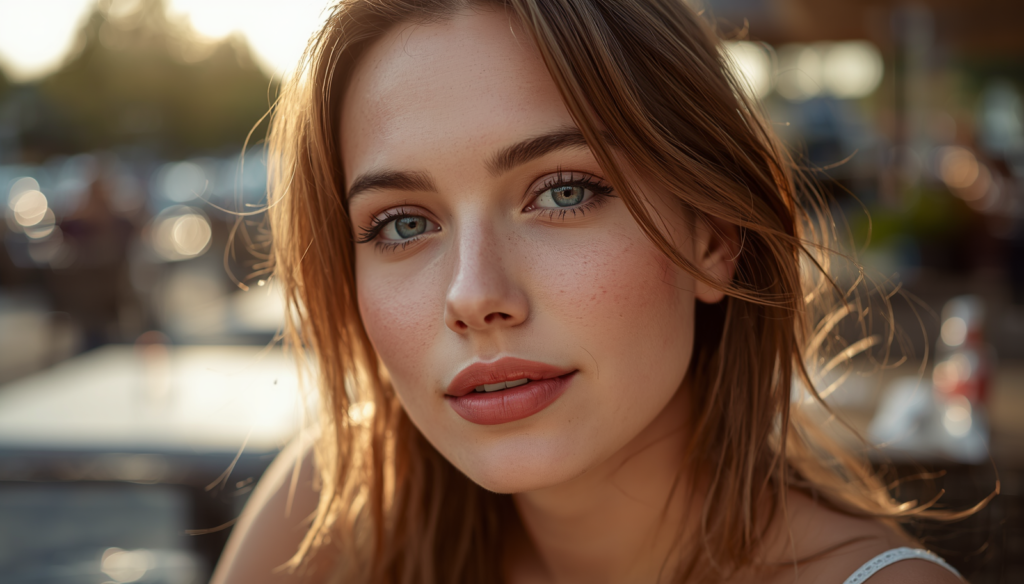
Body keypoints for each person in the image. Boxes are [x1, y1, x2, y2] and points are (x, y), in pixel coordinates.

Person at [212, 1, 974, 582]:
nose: (474, 295)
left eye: (565, 192)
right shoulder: (332, 507)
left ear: (713, 239)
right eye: (403, 224)